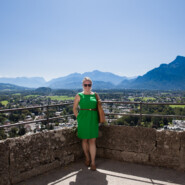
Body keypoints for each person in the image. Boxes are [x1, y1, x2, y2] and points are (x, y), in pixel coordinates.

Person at [73, 77, 100, 171]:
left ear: (91, 85)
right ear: (82, 85)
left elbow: (99, 107)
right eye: (85, 85)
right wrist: (79, 118)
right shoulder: (79, 95)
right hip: (83, 120)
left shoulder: (95, 95)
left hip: (93, 120)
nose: (87, 86)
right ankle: (87, 157)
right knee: (84, 140)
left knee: (92, 140)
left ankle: (93, 162)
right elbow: (74, 108)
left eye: (89, 85)